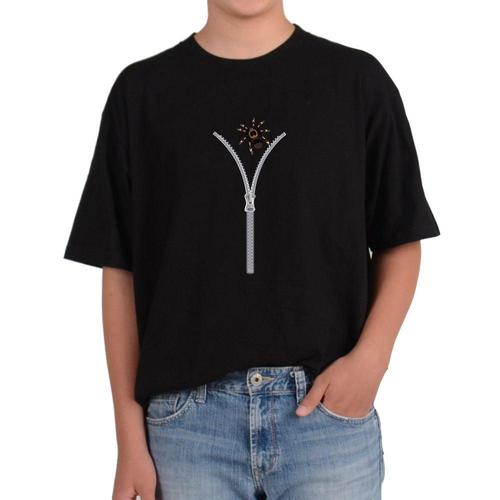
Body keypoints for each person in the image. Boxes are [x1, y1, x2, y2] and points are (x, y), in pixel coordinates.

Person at [63, 0, 440, 498]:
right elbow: (120, 272)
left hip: (325, 420)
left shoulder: (355, 82)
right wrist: (127, 435)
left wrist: (371, 361)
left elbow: (400, 239)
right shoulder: (142, 93)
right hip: (186, 431)